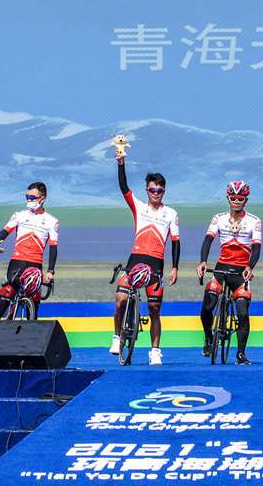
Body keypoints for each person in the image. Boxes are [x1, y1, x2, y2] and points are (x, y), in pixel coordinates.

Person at [111, 150, 180, 365]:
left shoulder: (171, 213)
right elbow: (124, 187)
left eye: (159, 190)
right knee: (121, 299)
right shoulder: (139, 207)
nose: (155, 193)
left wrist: (175, 267)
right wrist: (121, 163)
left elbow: (175, 241)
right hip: (135, 262)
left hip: (156, 265)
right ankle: (117, 337)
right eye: (152, 190)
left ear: (164, 191)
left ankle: (155, 351)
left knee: (154, 310)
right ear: (147, 191)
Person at [196, 181, 261, 365]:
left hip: (241, 274)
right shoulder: (218, 218)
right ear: (228, 198)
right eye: (233, 198)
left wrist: (250, 266)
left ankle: (241, 354)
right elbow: (208, 240)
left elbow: (257, 247)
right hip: (220, 270)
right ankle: (208, 338)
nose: (236, 201)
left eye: (240, 198)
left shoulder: (255, 221)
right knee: (207, 306)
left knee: (242, 313)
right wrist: (203, 261)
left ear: (246, 200)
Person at [0, 182, 58, 320]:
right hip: (17, 262)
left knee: (34, 300)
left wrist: (50, 271)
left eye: (32, 197)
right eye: (27, 197)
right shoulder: (19, 215)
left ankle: (31, 326)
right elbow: (6, 231)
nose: (28, 200)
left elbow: (53, 247)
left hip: (35, 265)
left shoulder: (52, 221)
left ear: (42, 199)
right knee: (7, 291)